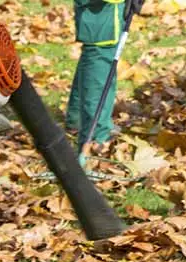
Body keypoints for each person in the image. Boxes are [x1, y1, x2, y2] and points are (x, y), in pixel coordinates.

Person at [65, 0, 130, 150]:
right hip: (101, 14)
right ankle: (96, 138)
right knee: (100, 55)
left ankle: (78, 119)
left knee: (95, 55)